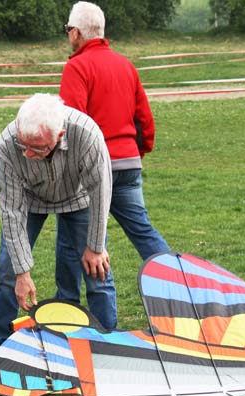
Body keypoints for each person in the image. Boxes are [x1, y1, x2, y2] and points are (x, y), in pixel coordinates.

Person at [0, 93, 115, 360]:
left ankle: (108, 349)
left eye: (38, 148)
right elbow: (11, 211)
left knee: (98, 273)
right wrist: (22, 272)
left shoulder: (87, 133)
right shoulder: (7, 145)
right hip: (29, 202)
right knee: (7, 272)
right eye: (24, 145)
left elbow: (100, 190)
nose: (28, 154)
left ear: (60, 134)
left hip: (80, 198)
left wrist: (96, 246)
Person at [59, 1, 169, 262]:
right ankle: (178, 283)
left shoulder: (76, 67)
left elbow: (73, 123)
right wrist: (136, 151)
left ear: (76, 32)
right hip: (128, 163)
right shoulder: (126, 66)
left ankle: (72, 299)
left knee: (87, 241)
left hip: (93, 168)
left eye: (68, 29)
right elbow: (144, 120)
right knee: (143, 232)